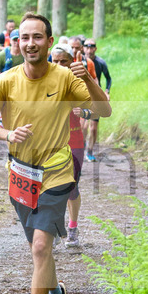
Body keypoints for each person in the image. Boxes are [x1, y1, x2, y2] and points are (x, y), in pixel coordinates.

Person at [0, 13, 110, 294]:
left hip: (56, 172)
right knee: (41, 251)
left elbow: (102, 111)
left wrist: (89, 80)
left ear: (49, 42)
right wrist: (7, 134)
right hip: (21, 176)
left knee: (39, 248)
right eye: (25, 37)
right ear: (17, 43)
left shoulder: (65, 77)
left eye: (37, 37)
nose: (30, 43)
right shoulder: (5, 81)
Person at [50, 44, 95, 249]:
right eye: (55, 61)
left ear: (71, 61)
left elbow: (97, 110)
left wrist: (83, 113)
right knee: (50, 187)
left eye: (64, 61)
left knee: (71, 187)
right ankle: (53, 227)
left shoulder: (79, 82)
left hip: (74, 141)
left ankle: (73, 227)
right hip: (50, 142)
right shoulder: (44, 81)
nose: (59, 65)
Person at [82, 39, 112, 162]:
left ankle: (89, 152)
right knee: (83, 126)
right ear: (83, 48)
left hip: (96, 98)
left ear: (95, 49)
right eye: (87, 47)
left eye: (91, 47)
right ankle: (82, 146)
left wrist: (106, 92)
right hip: (82, 97)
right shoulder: (79, 61)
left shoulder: (100, 63)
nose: (89, 50)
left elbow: (108, 78)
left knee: (93, 128)